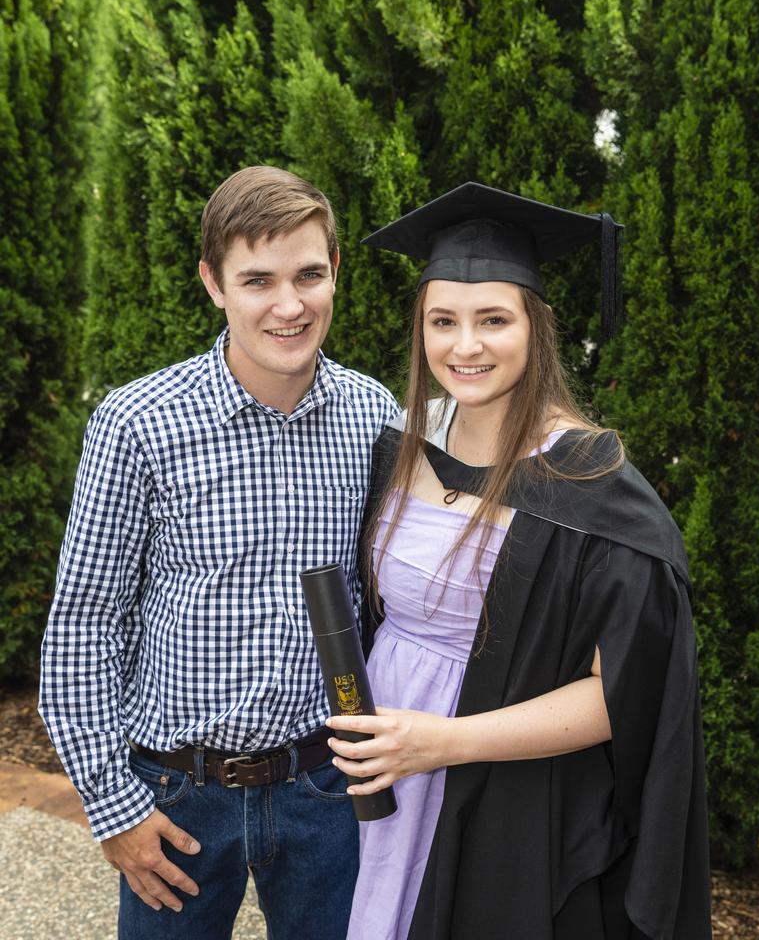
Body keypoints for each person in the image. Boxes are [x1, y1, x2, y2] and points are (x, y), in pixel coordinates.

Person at [325, 183, 712, 939]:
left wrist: (443, 742)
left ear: (536, 326)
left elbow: (627, 693)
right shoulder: (399, 446)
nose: (464, 346)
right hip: (383, 788)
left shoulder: (592, 489)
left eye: (493, 320)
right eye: (443, 321)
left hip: (504, 793)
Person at [39, 166, 399, 940]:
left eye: (309, 274)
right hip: (177, 792)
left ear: (335, 270)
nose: (288, 304)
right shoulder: (138, 423)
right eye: (256, 279)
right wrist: (113, 809)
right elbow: (83, 626)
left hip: (325, 792)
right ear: (213, 283)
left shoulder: (375, 417)